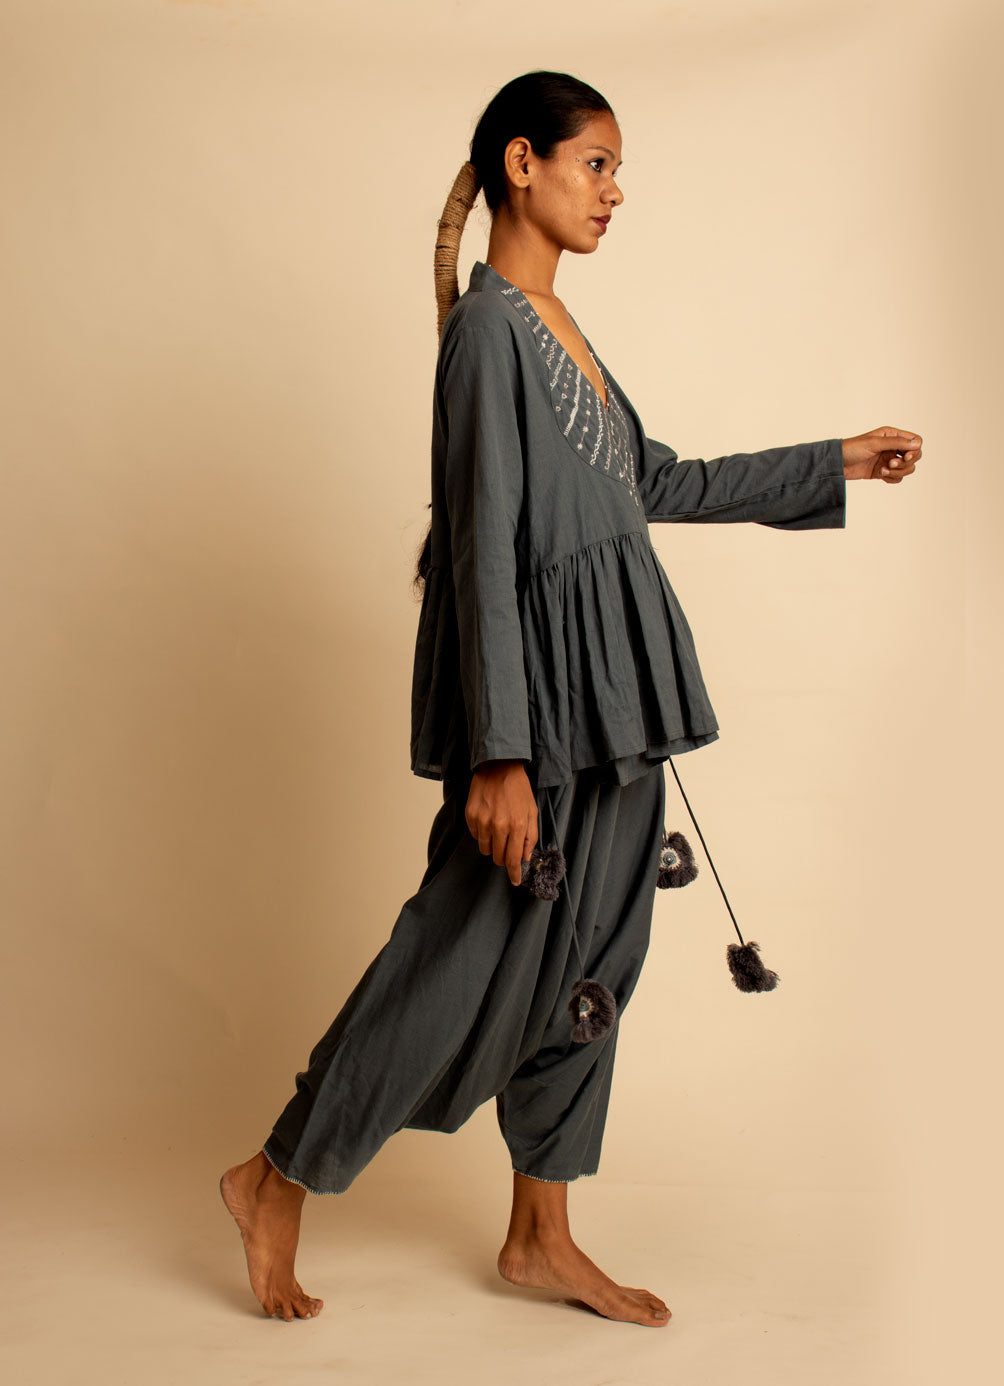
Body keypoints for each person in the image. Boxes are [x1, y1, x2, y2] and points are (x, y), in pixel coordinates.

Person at [220, 70, 922, 1328]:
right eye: (595, 164)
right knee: (456, 958)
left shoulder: (558, 326)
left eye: (616, 170)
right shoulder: (488, 333)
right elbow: (482, 544)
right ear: (521, 163)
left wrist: (835, 461)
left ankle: (540, 1236)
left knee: (600, 960)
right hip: (539, 713)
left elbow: (657, 482)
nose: (613, 192)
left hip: (619, 701)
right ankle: (277, 1176)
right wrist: (498, 754)